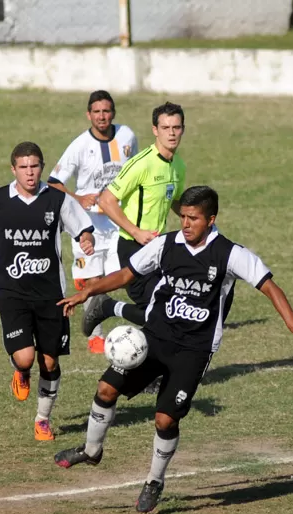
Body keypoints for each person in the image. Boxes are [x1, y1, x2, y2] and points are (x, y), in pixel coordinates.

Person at [53, 186, 293, 513]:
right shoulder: (165, 244)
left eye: (193, 218)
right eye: (182, 216)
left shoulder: (230, 254)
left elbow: (269, 285)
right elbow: (127, 274)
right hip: (155, 337)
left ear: (211, 220)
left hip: (194, 350)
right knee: (106, 388)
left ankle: (154, 481)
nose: (185, 223)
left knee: (165, 420)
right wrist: (88, 291)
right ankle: (91, 450)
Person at [0, 142, 96, 441]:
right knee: (25, 358)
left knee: (49, 361)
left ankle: (42, 419)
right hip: (12, 292)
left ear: (42, 167)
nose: (29, 173)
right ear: (13, 170)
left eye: (34, 166)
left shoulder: (58, 201)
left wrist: (87, 240)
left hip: (52, 295)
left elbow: (83, 229)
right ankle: (20, 371)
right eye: (23, 167)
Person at [80, 101, 187, 341]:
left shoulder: (178, 165)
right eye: (165, 127)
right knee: (161, 314)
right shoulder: (142, 163)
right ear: (155, 130)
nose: (171, 133)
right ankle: (107, 307)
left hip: (158, 249)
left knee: (170, 311)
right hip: (133, 248)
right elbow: (107, 200)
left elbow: (173, 200)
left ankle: (154, 373)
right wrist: (136, 232)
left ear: (182, 130)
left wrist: (198, 220)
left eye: (176, 127)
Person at [47, 90, 139, 354]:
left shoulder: (127, 136)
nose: (102, 116)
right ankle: (96, 336)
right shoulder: (79, 146)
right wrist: (78, 196)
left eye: (107, 111)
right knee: (93, 280)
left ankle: (87, 282)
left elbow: (135, 170)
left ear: (113, 113)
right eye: (97, 112)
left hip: (117, 221)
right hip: (86, 225)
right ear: (88, 115)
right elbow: (54, 184)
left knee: (118, 278)